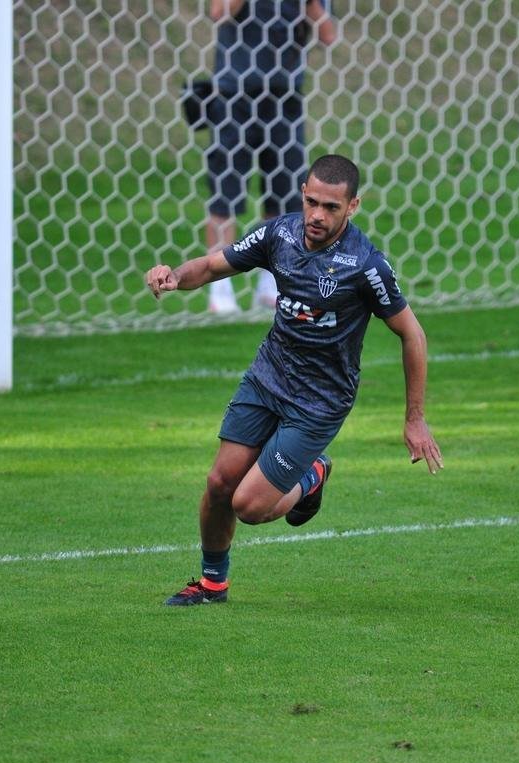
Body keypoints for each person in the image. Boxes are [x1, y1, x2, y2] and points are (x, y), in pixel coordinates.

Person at [144, 154, 443, 605]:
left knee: (249, 506)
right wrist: (172, 275)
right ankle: (211, 585)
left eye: (331, 208)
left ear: (353, 207)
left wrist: (415, 418)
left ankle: (314, 472)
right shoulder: (278, 234)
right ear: (302, 193)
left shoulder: (365, 266)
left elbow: (412, 335)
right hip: (268, 378)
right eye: (311, 202)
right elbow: (210, 266)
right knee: (220, 484)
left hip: (319, 402)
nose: (317, 216)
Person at [203, 0, 336, 314]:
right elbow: (218, 13)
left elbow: (327, 34)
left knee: (284, 196)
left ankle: (269, 285)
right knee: (226, 194)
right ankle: (219, 289)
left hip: (284, 98)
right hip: (234, 94)